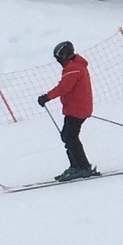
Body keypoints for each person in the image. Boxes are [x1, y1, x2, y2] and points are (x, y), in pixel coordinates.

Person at [37, 39, 97, 180]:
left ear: (64, 56)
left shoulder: (73, 68)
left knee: (70, 136)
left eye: (58, 58)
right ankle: (78, 166)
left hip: (77, 109)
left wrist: (46, 97)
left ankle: (82, 167)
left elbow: (64, 87)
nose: (58, 61)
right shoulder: (75, 66)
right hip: (77, 108)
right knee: (68, 136)